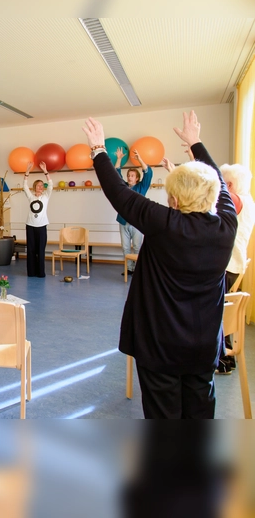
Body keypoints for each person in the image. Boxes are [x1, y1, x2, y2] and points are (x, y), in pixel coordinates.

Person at [82, 111, 236, 419]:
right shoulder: (226, 225)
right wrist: (196, 142)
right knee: (201, 409)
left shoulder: (164, 223)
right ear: (214, 197)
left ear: (175, 201)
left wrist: (99, 150)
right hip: (204, 345)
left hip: (160, 344)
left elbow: (120, 196)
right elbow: (218, 179)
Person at [216, 163, 255, 374]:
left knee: (217, 311)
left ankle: (221, 360)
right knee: (224, 311)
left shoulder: (235, 200)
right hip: (235, 263)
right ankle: (226, 356)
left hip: (227, 264)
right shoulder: (248, 201)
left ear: (228, 184)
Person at [114, 148, 153, 276]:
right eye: (128, 176)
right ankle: (129, 269)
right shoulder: (123, 187)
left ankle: (137, 269)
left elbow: (148, 173)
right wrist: (119, 158)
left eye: (132, 176)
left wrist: (139, 159)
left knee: (137, 247)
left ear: (137, 178)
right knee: (125, 248)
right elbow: (115, 175)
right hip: (123, 221)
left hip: (137, 222)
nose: (129, 177)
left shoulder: (142, 187)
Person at [23, 161, 53, 278]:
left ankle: (41, 272)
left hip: (41, 226)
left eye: (42, 185)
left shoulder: (45, 196)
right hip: (30, 226)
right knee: (31, 250)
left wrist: (45, 171)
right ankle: (31, 272)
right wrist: (27, 172)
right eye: (38, 185)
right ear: (35, 187)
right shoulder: (30, 196)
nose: (41, 187)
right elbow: (24, 186)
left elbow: (50, 184)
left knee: (40, 251)